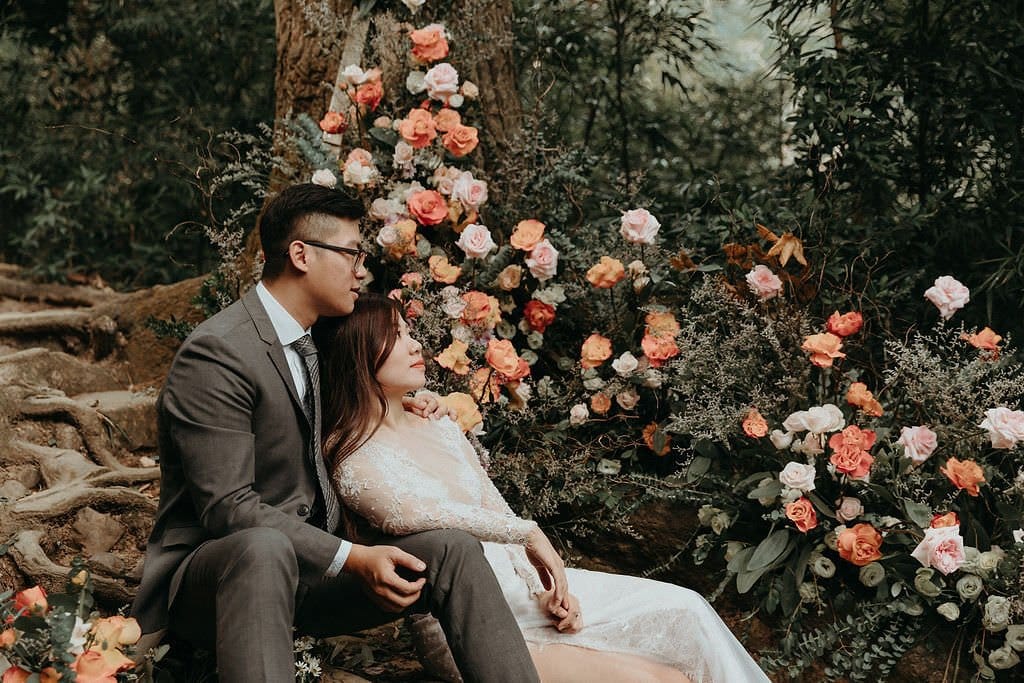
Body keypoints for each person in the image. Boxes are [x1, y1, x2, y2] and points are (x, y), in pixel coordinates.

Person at [131, 184, 541, 682]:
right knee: (263, 547)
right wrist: (353, 557)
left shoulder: (318, 339)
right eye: (351, 253)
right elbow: (229, 509)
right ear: (300, 255)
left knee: (452, 548)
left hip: (313, 576)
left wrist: (410, 404)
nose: (361, 269)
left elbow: (356, 398)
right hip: (220, 579)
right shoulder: (218, 354)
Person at [315, 294, 773, 683]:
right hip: (471, 619)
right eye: (396, 336)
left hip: (525, 589)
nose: (415, 344)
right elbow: (411, 515)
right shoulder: (350, 450)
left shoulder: (436, 423)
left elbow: (493, 504)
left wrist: (553, 587)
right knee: (666, 679)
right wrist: (529, 533)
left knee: (688, 610)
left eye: (409, 332)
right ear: (357, 351)